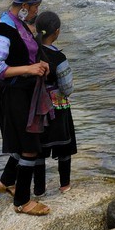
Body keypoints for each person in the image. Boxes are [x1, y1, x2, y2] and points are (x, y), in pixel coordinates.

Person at [0, 0, 52, 215]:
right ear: (24, 6)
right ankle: (22, 202)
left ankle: (6, 182)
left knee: (22, 140)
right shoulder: (3, 30)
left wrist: (38, 64)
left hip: (25, 93)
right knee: (29, 147)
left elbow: (25, 55)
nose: (37, 10)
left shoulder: (20, 24)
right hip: (13, 94)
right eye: (36, 6)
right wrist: (28, 69)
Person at [31, 10, 78, 196]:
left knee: (39, 150)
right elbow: (67, 87)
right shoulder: (59, 58)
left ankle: (39, 189)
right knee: (64, 147)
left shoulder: (31, 52)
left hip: (36, 108)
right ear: (56, 32)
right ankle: (64, 185)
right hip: (58, 109)